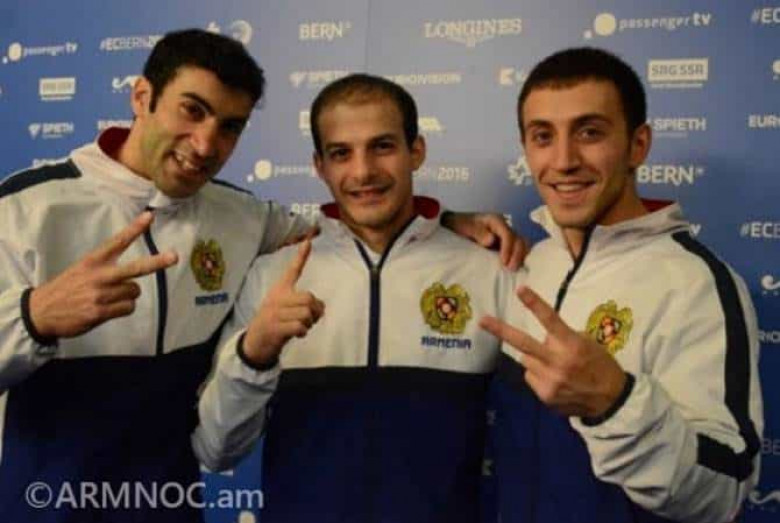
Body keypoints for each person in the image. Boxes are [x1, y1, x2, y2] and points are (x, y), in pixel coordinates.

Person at [0, 30, 522, 523]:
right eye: (192, 110)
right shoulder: (24, 207)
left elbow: (355, 227)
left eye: (229, 126)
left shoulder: (242, 216)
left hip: (170, 503)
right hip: (46, 501)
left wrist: (444, 223)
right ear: (142, 97)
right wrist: (33, 316)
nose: (205, 144)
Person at [193, 74, 514, 523]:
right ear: (320, 166)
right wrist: (254, 354)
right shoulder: (273, 275)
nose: (362, 172)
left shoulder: (488, 271)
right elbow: (215, 450)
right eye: (341, 153)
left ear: (416, 151)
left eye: (382, 146)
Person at [479, 47, 764, 523]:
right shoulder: (532, 265)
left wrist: (615, 403)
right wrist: (450, 220)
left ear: (638, 144)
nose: (564, 160)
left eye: (589, 132)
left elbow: (724, 492)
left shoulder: (696, 285)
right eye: (543, 136)